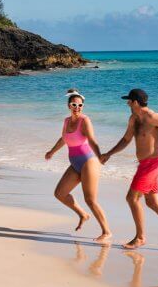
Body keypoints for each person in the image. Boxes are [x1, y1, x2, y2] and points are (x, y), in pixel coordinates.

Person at [101, 88, 158, 252]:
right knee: (153, 203)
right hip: (144, 165)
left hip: (152, 165)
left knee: (131, 198)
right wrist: (109, 154)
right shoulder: (133, 119)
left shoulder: (153, 117)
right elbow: (126, 139)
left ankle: (140, 237)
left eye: (129, 100)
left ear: (135, 102)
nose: (127, 103)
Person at [45, 89, 112, 243]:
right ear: (69, 106)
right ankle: (83, 214)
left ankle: (107, 231)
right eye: (74, 104)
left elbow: (92, 139)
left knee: (90, 199)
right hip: (75, 163)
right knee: (60, 193)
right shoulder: (67, 121)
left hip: (89, 161)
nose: (77, 107)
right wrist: (52, 151)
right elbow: (63, 139)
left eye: (80, 105)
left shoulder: (85, 120)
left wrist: (101, 155)